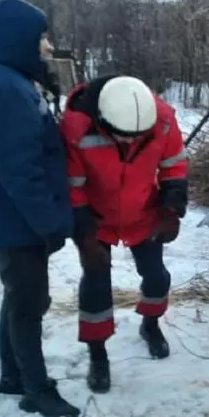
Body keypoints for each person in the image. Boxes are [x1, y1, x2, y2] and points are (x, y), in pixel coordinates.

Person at [0, 0, 80, 417]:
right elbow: (20, 171)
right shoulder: (5, 89)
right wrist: (49, 223)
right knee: (29, 304)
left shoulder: (3, 79)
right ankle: (35, 390)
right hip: (13, 221)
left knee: (19, 298)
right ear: (20, 39)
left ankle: (13, 376)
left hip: (5, 217)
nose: (46, 46)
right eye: (41, 38)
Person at [60, 75, 189, 393]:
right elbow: (72, 187)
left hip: (144, 213)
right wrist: (85, 237)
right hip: (97, 218)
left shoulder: (163, 120)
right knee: (95, 284)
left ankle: (151, 324)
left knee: (156, 276)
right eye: (122, 138)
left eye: (137, 138)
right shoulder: (75, 127)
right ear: (103, 121)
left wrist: (171, 209)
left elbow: (174, 166)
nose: (131, 144)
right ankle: (98, 354)